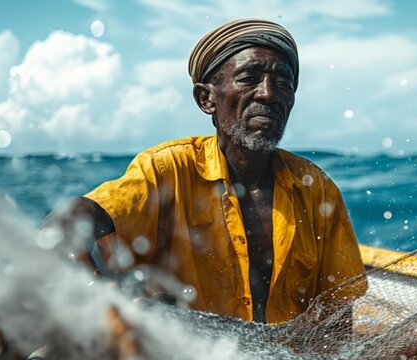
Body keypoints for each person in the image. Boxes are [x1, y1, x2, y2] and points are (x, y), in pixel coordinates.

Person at [55, 19, 366, 325]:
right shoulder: (167, 169)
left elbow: (337, 311)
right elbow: (68, 222)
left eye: (283, 84)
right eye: (249, 79)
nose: (269, 94)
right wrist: (95, 293)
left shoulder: (316, 189)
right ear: (206, 99)